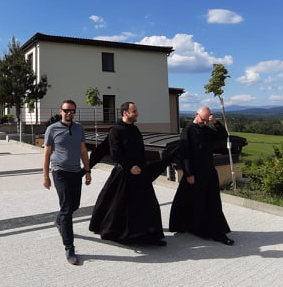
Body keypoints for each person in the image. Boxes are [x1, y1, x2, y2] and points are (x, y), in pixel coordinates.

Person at [89, 101, 169, 246]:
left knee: (148, 205)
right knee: (119, 205)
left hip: (139, 172)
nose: (137, 114)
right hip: (124, 172)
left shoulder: (135, 129)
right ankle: (121, 233)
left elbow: (139, 150)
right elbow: (115, 153)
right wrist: (130, 166)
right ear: (125, 113)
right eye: (134, 111)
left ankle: (150, 235)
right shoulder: (115, 130)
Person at [169, 106, 234, 245]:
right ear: (196, 114)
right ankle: (188, 225)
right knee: (190, 199)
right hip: (194, 172)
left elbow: (223, 136)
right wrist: (188, 173)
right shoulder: (188, 131)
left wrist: (216, 122)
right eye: (203, 120)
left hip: (208, 170)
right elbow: (185, 154)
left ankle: (217, 232)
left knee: (212, 201)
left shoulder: (206, 129)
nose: (205, 123)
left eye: (207, 120)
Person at [43, 99, 91, 265]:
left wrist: (88, 170)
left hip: (76, 171)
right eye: (66, 110)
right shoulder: (52, 129)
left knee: (74, 205)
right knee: (66, 208)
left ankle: (59, 220)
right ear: (61, 111)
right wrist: (45, 176)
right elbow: (47, 154)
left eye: (72, 111)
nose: (69, 113)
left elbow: (83, 150)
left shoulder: (79, 128)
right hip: (59, 172)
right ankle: (69, 247)